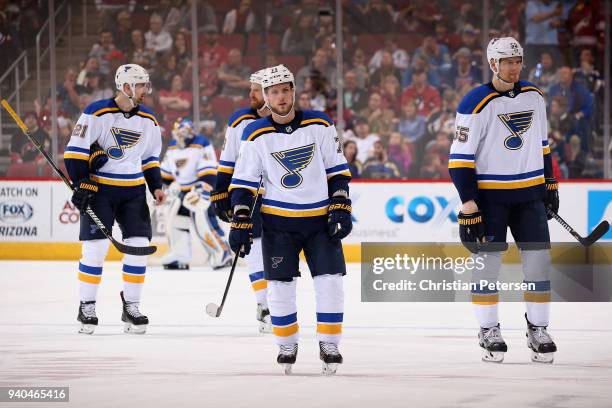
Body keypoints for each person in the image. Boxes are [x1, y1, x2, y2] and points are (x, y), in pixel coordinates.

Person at [228, 65, 352, 375]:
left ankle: (329, 344)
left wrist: (340, 204)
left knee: (330, 282)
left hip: (319, 221)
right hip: (278, 224)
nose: (280, 97)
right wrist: (240, 219)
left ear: (294, 91)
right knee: (280, 286)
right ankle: (286, 343)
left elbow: (337, 170)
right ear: (266, 98)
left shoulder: (320, 123)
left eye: (285, 90)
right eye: (273, 92)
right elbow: (243, 183)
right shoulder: (254, 132)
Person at [449, 37, 558, 364]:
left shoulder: (534, 96)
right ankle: (488, 330)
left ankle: (537, 329)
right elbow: (459, 160)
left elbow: (543, 144)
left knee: (539, 265)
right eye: (507, 61)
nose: (514, 66)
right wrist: (469, 204)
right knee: (487, 266)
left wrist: (549, 183)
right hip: (491, 201)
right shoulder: (475, 102)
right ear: (493, 64)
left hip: (529, 197)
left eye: (518, 60)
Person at [63, 64, 165, 335]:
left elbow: (150, 158)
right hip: (100, 191)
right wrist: (81, 181)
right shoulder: (96, 112)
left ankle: (131, 305)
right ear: (127, 87)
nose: (146, 90)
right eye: (141, 85)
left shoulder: (149, 119)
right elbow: (74, 152)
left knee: (139, 247)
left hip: (133, 191)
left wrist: (156, 186)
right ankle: (87, 305)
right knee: (95, 250)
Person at [211, 68, 273, 333]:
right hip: (249, 194)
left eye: (256, 90)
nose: (251, 95)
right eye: (251, 89)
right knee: (255, 246)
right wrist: (220, 193)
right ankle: (264, 304)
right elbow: (227, 160)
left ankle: (278, 302)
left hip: (282, 196)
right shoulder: (239, 121)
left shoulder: (291, 120)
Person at [160, 118, 232, 271]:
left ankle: (222, 252)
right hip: (181, 192)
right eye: (178, 132)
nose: (181, 135)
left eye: (184, 131)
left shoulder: (201, 143)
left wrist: (202, 189)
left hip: (199, 189)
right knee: (175, 222)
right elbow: (165, 174)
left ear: (191, 131)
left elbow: (209, 171)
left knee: (203, 222)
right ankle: (180, 256)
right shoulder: (172, 146)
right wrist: (168, 185)